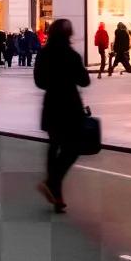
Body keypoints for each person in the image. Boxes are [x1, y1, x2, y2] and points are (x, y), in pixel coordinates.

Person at [34, 18, 90, 214]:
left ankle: (56, 194)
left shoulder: (44, 54)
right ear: (68, 35)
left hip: (52, 105)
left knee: (54, 144)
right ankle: (53, 183)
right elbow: (84, 81)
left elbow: (39, 82)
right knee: (73, 148)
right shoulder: (72, 55)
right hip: (70, 106)